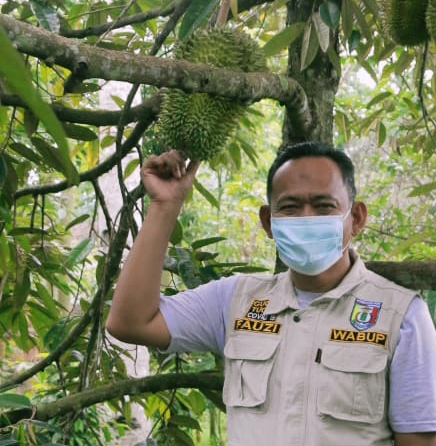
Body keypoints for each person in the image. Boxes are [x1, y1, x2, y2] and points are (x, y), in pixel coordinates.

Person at [106, 141, 436, 446]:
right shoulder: (236, 300)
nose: (307, 218)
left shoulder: (401, 315)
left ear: (357, 217)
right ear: (268, 221)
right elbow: (130, 322)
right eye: (290, 207)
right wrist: (166, 205)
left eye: (324, 206)